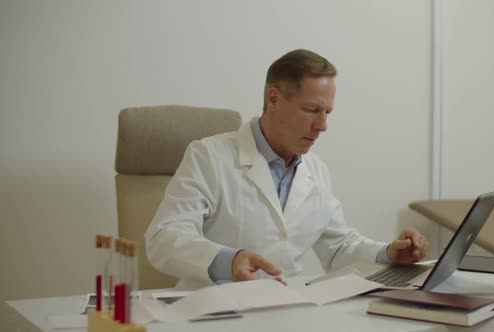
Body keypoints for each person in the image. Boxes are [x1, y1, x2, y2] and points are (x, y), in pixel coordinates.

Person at [145, 49, 429, 289]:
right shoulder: (209, 156)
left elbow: (339, 246)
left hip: (288, 311)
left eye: (327, 112)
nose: (322, 125)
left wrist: (389, 253)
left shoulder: (316, 171)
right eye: (311, 110)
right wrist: (228, 260)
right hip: (215, 313)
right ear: (273, 99)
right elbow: (164, 237)